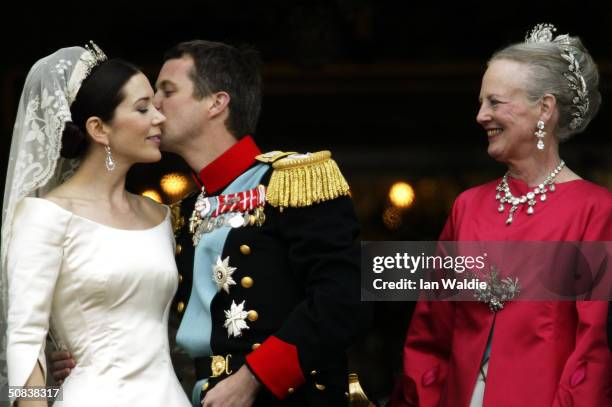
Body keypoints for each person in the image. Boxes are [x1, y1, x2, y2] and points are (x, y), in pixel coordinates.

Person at [52, 40, 372, 407]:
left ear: (216, 103)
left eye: (167, 91)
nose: (153, 103)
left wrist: (253, 379)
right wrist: (93, 359)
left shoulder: (294, 180)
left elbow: (346, 300)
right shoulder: (179, 211)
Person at [392, 24, 611, 406]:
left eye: (495, 102)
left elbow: (592, 351)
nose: (480, 116)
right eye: (480, 103)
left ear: (544, 108)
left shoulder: (595, 211)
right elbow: (430, 332)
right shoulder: (468, 207)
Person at [1, 44, 191, 406]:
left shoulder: (160, 216)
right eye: (142, 108)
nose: (159, 118)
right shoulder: (44, 216)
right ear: (99, 129)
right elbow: (24, 340)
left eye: (155, 104)